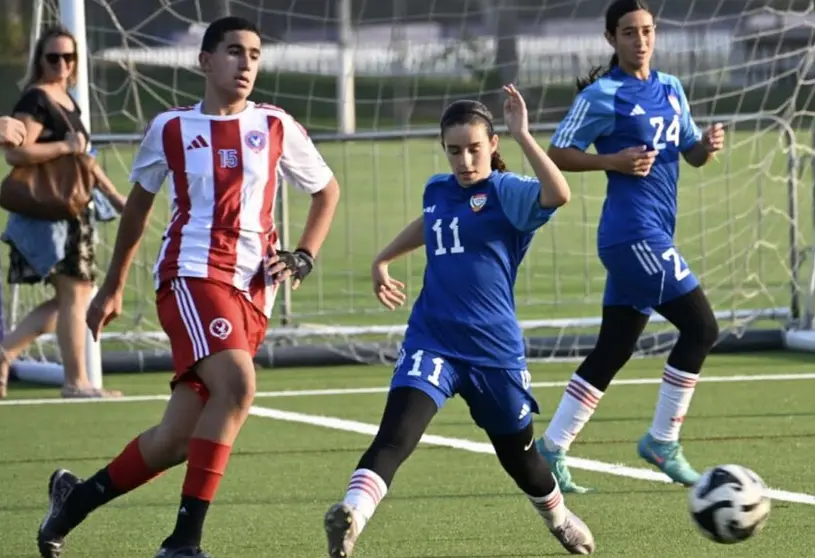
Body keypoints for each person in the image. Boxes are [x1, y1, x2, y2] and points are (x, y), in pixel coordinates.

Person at [35, 16, 340, 558]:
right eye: (233, 52)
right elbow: (136, 212)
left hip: (252, 292)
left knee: (177, 438)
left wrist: (303, 256)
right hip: (190, 275)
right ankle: (184, 541)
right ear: (204, 61)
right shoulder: (171, 128)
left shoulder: (275, 125)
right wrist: (111, 287)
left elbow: (326, 190)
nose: (245, 63)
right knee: (239, 386)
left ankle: (72, 501)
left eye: (253, 54)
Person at [323, 85, 595, 557]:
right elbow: (430, 223)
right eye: (454, 151)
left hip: (493, 351)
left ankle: (559, 519)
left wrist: (525, 136)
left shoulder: (506, 192)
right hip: (433, 340)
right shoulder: (438, 189)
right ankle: (350, 519)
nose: (465, 160)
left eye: (474, 148)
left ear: (492, 144)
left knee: (521, 459)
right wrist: (383, 258)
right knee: (395, 436)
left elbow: (560, 193)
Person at [534, 0, 725, 493]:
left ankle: (551, 449)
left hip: (652, 233)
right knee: (702, 328)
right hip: (631, 234)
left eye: (646, 30)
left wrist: (708, 144)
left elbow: (692, 153)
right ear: (610, 39)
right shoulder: (603, 95)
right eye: (628, 32)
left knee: (614, 347)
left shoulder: (671, 88)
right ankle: (662, 441)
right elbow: (558, 153)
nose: (640, 40)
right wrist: (613, 162)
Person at [1, 26, 127, 399]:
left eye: (68, 57)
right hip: (49, 212)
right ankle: (76, 381)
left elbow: (83, 156)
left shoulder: (68, 99)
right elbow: (15, 152)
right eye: (53, 56)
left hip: (75, 209)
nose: (61, 64)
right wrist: (61, 145)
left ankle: (7, 349)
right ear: (40, 59)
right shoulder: (37, 99)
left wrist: (114, 193)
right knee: (74, 296)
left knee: (75, 298)